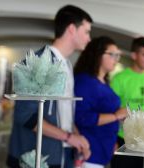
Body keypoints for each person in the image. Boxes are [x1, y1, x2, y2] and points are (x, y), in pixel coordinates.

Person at [7, 5, 93, 168]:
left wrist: (77, 140)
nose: (89, 38)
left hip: (61, 153)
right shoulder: (39, 63)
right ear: (72, 29)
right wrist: (69, 137)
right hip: (37, 156)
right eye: (87, 31)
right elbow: (25, 116)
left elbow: (64, 113)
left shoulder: (66, 64)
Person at [110, 37, 144, 168]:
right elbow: (112, 112)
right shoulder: (119, 79)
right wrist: (112, 140)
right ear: (134, 55)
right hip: (125, 139)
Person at [74, 36, 127, 168]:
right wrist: (116, 116)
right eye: (112, 54)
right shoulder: (84, 82)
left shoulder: (103, 81)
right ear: (98, 55)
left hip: (104, 149)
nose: (116, 59)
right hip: (89, 151)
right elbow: (81, 117)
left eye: (117, 55)